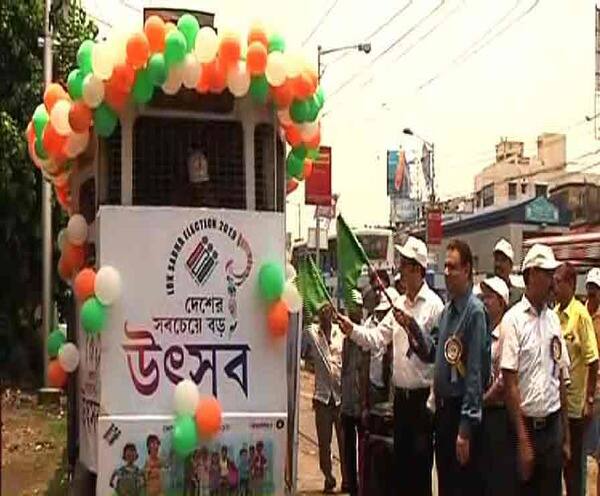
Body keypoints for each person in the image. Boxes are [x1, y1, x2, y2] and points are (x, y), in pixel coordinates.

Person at [339, 236, 444, 496]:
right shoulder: (397, 304)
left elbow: (435, 354)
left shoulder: (434, 307)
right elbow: (376, 339)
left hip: (422, 402)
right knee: (401, 472)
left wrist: (411, 325)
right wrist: (352, 330)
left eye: (406, 265)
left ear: (418, 270)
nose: (401, 271)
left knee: (420, 473)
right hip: (400, 401)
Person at [501, 243, 571, 496]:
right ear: (530, 275)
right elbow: (510, 385)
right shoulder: (513, 321)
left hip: (551, 429)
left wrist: (565, 437)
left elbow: (560, 377)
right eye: (546, 273)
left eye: (553, 273)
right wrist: (523, 440)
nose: (552, 281)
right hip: (525, 429)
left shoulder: (553, 320)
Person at [553, 262, 599, 496]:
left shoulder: (580, 315)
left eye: (558, 283)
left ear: (571, 284)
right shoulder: (553, 314)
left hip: (576, 410)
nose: (554, 287)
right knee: (558, 466)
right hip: (557, 408)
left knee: (575, 472)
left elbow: (593, 359)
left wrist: (589, 400)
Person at [478, 277, 518, 496]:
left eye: (490, 297)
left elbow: (503, 380)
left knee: (499, 478)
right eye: (483, 297)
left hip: (499, 414)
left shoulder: (506, 332)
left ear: (502, 302)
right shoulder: (484, 330)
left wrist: (482, 401)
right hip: (484, 412)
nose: (485, 302)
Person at [305, 304, 347, 493]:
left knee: (345, 442)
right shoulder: (313, 333)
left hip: (340, 398)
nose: (325, 315)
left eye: (328, 312)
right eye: (321, 312)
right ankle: (328, 477)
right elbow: (303, 320)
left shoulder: (341, 333)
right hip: (322, 398)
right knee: (324, 443)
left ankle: (347, 478)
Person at [340, 290, 369, 496]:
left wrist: (365, 401)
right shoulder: (345, 337)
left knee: (364, 451)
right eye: (351, 308)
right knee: (348, 448)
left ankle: (363, 487)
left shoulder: (364, 334)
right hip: (347, 402)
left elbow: (366, 371)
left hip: (361, 403)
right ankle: (351, 485)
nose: (354, 312)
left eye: (357, 308)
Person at [364, 287, 401, 405]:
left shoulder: (403, 331)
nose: (385, 316)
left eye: (387, 312)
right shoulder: (370, 325)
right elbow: (365, 361)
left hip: (396, 388)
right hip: (375, 386)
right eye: (383, 312)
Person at [585, 268, 600, 496]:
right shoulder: (581, 312)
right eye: (590, 288)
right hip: (584, 389)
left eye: (596, 289)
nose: (592, 293)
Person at [493, 238, 523, 306]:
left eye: (503, 260)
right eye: (496, 259)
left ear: (511, 265)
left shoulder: (518, 296)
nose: (498, 264)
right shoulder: (486, 293)